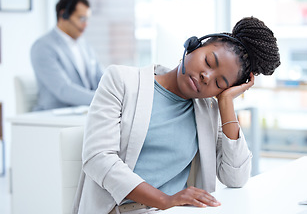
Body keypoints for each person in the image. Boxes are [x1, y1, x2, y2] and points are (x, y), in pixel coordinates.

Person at [72, 17, 281, 214]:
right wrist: (165, 200)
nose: (206, 77)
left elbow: (236, 178)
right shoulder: (121, 81)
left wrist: (226, 103)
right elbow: (98, 158)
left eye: (219, 83)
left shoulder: (208, 109)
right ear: (194, 45)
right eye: (209, 61)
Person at [30, 0, 103, 111]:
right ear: (63, 15)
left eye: (87, 19)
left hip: (84, 112)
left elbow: (100, 77)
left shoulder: (84, 45)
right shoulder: (43, 46)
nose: (86, 25)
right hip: (55, 115)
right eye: (81, 18)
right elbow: (63, 89)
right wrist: (102, 100)